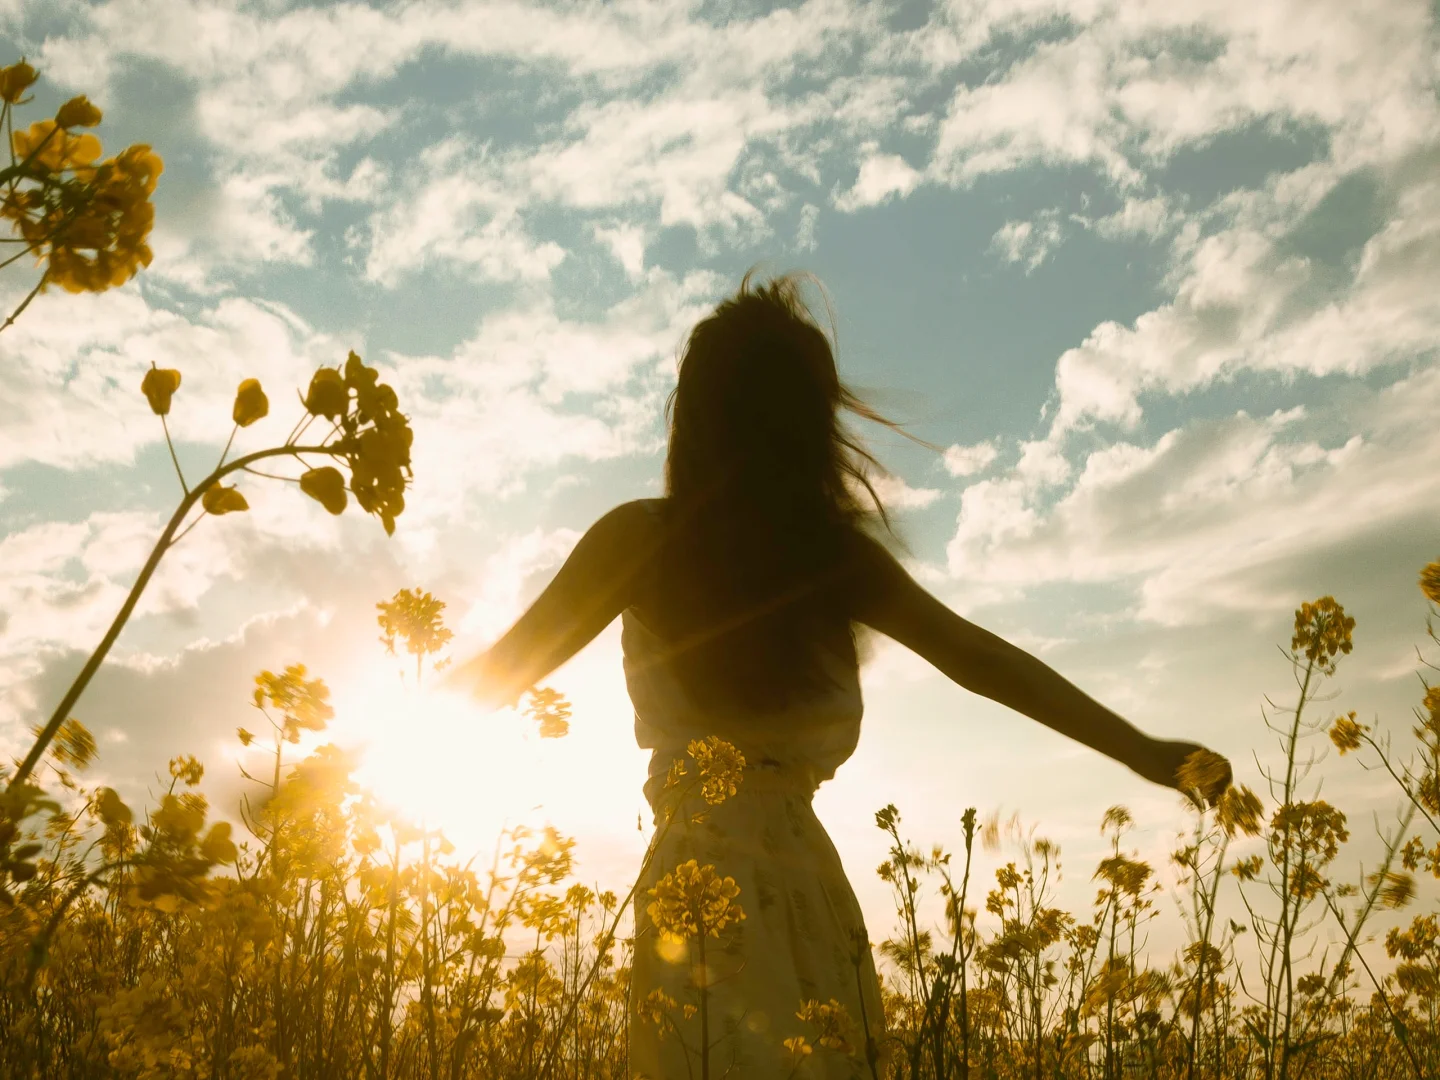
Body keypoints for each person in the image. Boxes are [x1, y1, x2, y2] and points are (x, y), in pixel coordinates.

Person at [446, 267, 1232, 1078]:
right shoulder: (830, 559)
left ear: (695, 418)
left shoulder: (643, 540)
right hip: (806, 886)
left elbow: (502, 671)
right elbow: (982, 661)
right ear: (809, 427)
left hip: (698, 879)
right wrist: (1141, 749)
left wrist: (333, 772)